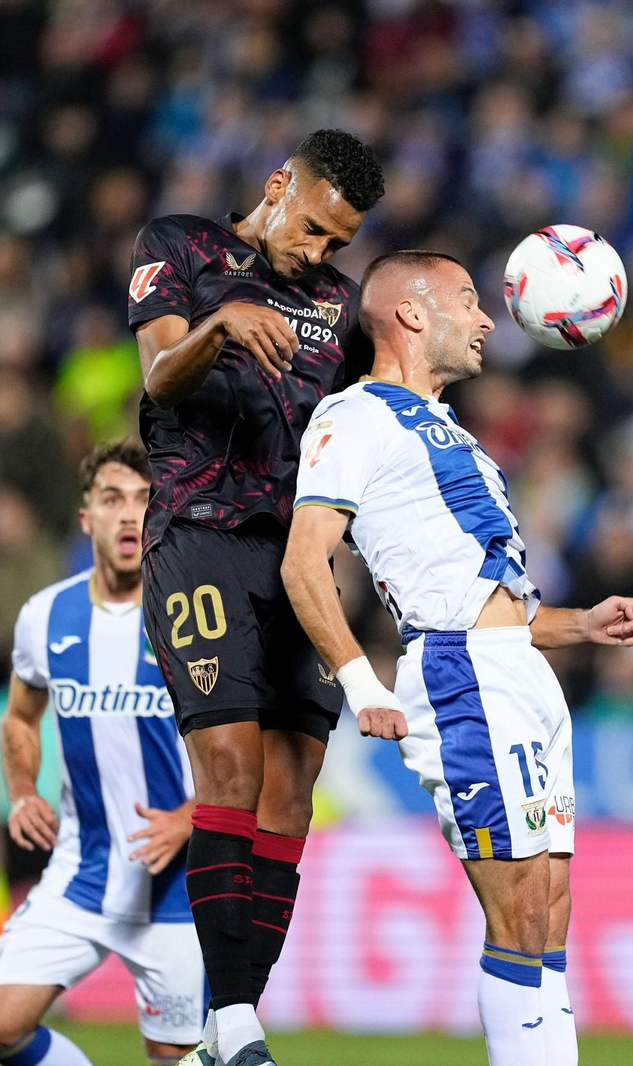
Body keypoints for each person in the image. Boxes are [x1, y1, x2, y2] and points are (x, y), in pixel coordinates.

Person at [280, 250, 633, 1066]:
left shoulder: (451, 431)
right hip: (462, 677)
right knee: (518, 910)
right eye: (468, 301)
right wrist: (360, 681)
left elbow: (492, 602)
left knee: (550, 910)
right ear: (410, 314)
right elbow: (304, 562)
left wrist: (580, 625)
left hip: (518, 668)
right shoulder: (354, 416)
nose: (488, 319)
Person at [127, 128, 385, 1066]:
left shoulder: (341, 309)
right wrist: (222, 324)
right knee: (231, 771)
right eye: (313, 228)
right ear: (279, 185)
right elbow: (160, 377)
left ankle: (223, 1027)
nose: (319, 253)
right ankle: (235, 1024)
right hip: (199, 538)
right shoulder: (181, 247)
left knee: (293, 795)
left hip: (300, 562)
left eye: (337, 243)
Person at [0, 440, 203, 1066]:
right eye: (112, 499)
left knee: (173, 1056)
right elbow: (20, 718)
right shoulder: (45, 616)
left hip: (174, 886)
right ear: (87, 518)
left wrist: (188, 818)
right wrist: (22, 789)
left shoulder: (193, 616)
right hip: (83, 870)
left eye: (143, 499)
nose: (128, 514)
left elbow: (249, 743)